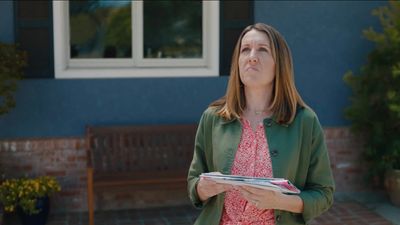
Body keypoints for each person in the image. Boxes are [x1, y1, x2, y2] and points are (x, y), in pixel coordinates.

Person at [187, 23, 335, 225]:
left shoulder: (304, 121)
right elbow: (194, 182)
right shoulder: (213, 117)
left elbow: (323, 194)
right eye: (245, 49)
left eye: (263, 49)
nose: (252, 56)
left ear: (279, 63)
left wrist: (282, 201)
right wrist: (202, 189)